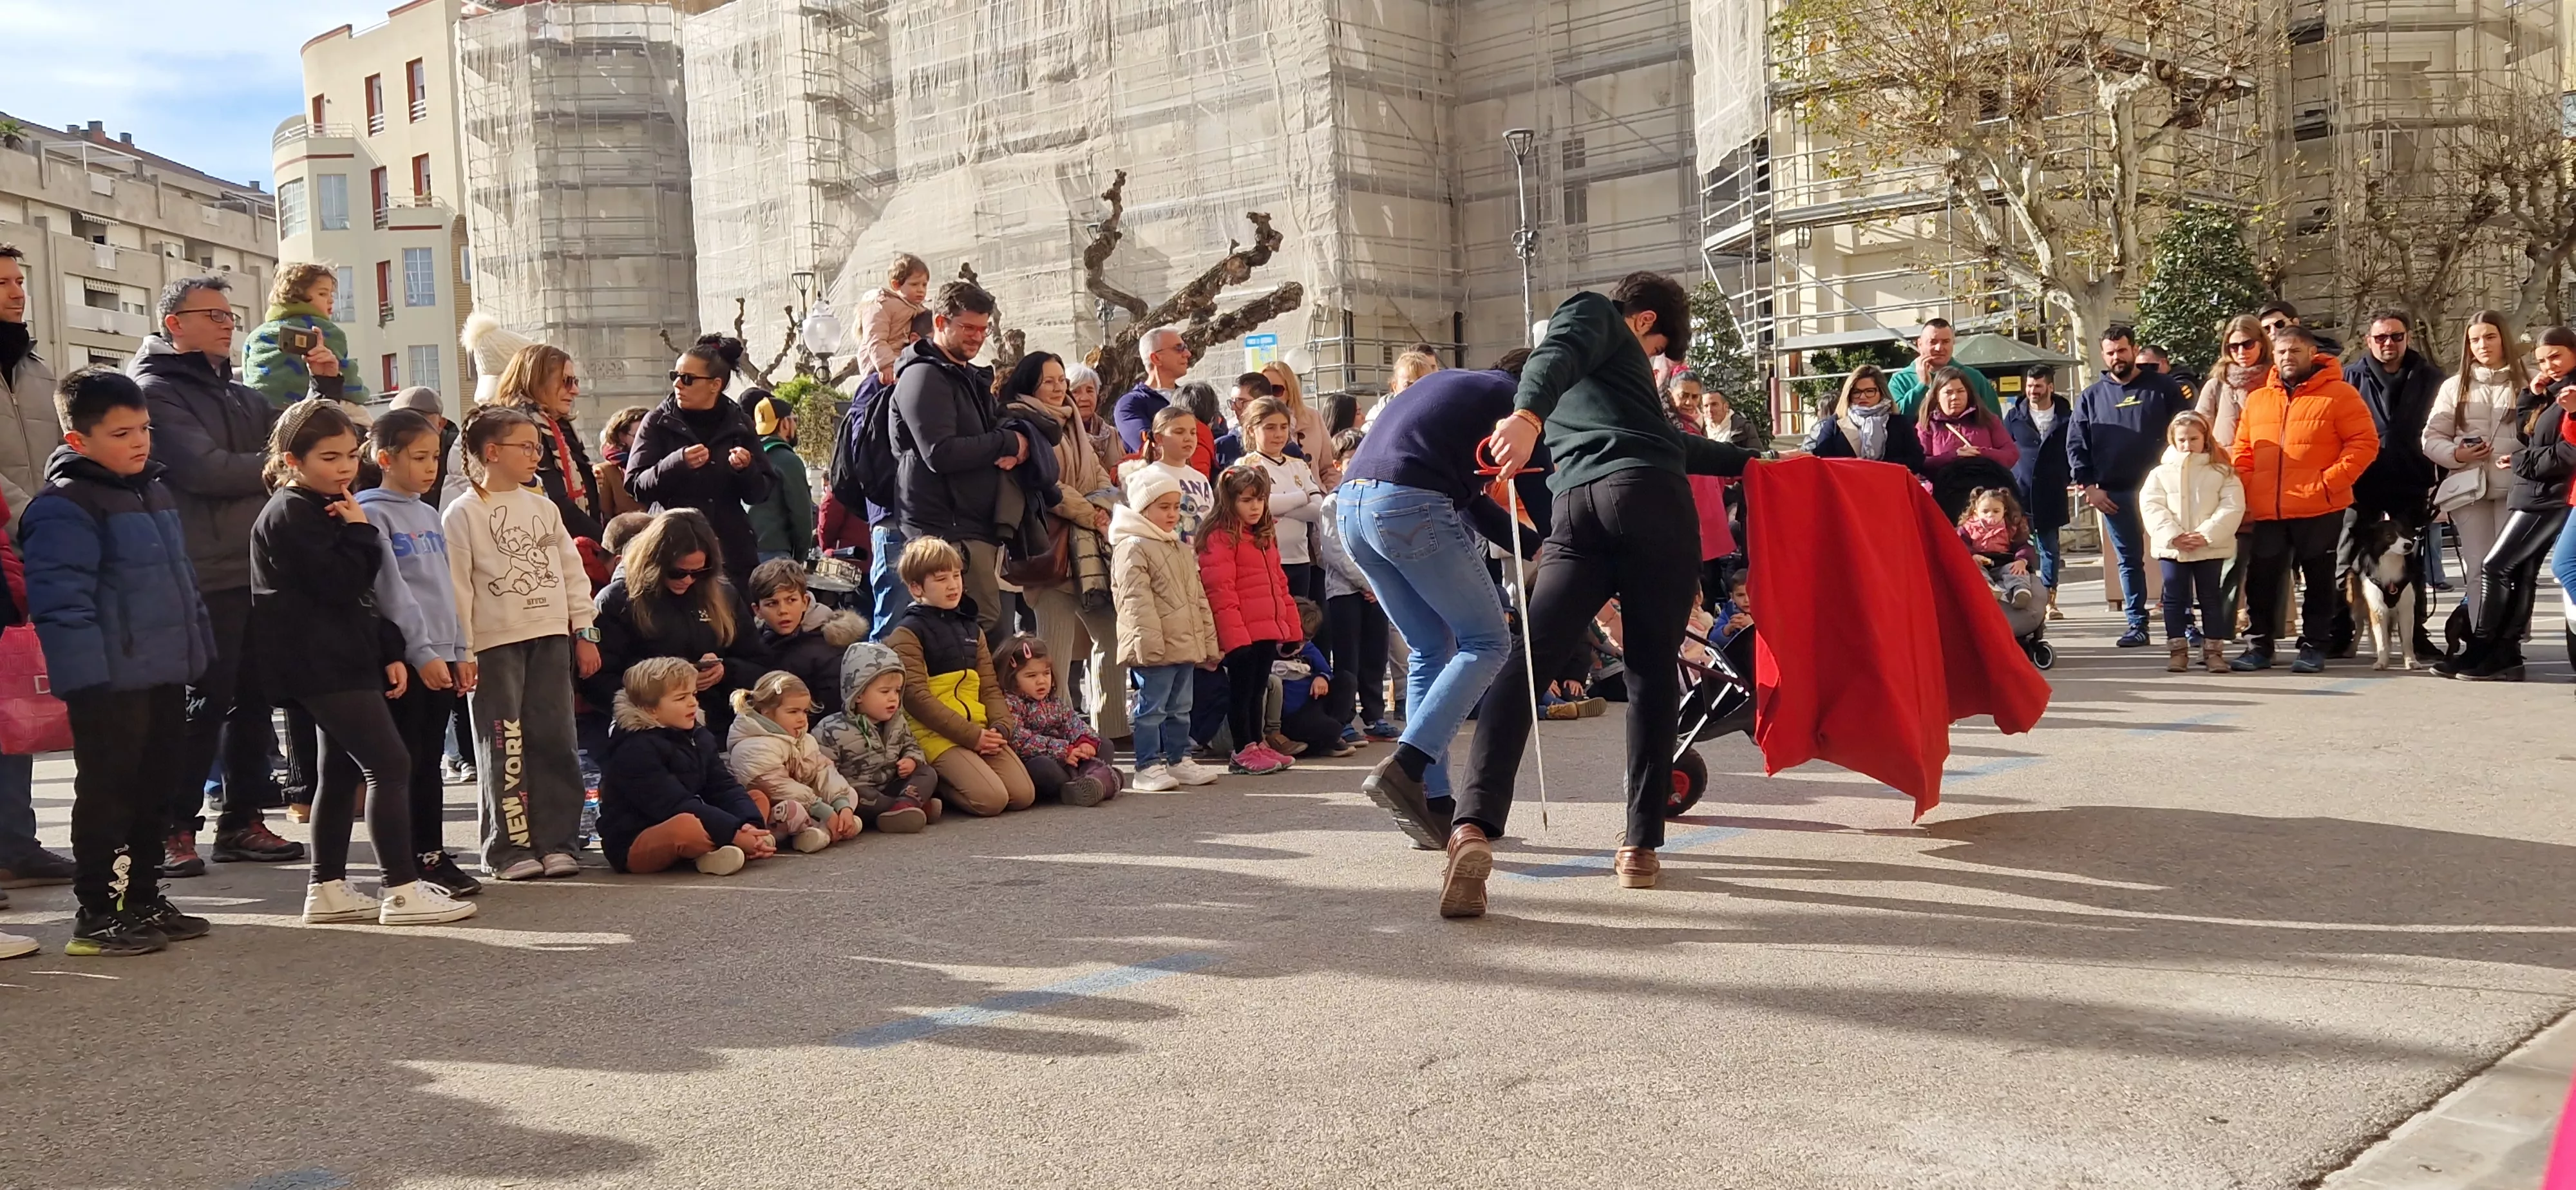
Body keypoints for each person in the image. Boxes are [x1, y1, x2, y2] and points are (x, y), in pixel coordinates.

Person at [1457, 274, 1773, 912]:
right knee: (1650, 677)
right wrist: (1523, 415)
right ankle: (1639, 844)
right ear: (1642, 320)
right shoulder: (1597, 315)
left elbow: (1668, 441)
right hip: (1652, 505)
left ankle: (1472, 825)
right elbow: (1556, 350)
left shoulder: (1602, 387)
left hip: (1580, 513)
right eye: (1655, 347)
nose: (1653, 364)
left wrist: (1751, 462)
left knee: (1527, 665)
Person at [251, 401, 476, 927]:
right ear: (293, 459)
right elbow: (343, 584)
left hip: (343, 656)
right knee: (390, 764)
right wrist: (360, 532)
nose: (345, 467)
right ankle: (401, 886)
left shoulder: (326, 503)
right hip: (320, 662)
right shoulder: (292, 511)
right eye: (329, 457)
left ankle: (326, 886)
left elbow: (363, 601)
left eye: (351, 455)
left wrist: (389, 653)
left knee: (340, 769)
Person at [19, 366, 216, 954]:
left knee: (157, 788)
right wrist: (88, 683)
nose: (139, 442)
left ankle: (144, 899)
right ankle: (99, 914)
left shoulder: (153, 490)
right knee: (111, 793)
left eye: (144, 429)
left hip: (160, 672)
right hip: (108, 682)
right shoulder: (64, 506)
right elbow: (62, 604)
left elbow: (182, 584)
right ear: (77, 440)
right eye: (121, 433)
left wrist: (197, 652)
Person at [1336, 364, 1550, 847]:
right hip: (1408, 506)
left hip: (1352, 508)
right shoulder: (1518, 400)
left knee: (1431, 647)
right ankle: (1407, 764)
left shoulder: (1459, 387)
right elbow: (1541, 489)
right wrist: (1568, 548)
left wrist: (1535, 547)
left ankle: (1431, 801)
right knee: (1489, 641)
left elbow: (1472, 501)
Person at [133, 275, 304, 876]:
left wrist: (328, 384)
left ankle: (242, 822)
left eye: (231, 315)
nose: (229, 324)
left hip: (255, 567)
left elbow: (295, 435)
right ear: (173, 323)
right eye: (213, 314)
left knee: (253, 703)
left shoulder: (237, 392)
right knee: (202, 704)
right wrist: (284, 466)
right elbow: (204, 470)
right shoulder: (153, 390)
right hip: (200, 570)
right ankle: (173, 829)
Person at [444, 404, 602, 880]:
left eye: (539, 446)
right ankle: (509, 848)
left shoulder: (543, 506)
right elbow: (458, 586)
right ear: (491, 452)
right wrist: (463, 651)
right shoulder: (462, 512)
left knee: (555, 739)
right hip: (495, 644)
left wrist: (584, 631)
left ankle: (558, 841)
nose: (537, 455)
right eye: (527, 446)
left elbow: (572, 575)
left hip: (551, 637)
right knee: (504, 744)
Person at [357, 410, 480, 898]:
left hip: (439, 654)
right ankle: (407, 861)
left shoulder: (428, 513)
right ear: (385, 459)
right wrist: (423, 652)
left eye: (435, 457)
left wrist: (458, 650)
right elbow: (392, 593)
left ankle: (432, 853)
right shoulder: (372, 511)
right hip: (408, 659)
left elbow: (445, 590)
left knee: (429, 759)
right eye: (420, 458)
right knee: (405, 761)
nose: (431, 468)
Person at [2229, 324, 2378, 674]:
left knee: (2320, 581)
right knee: (2262, 581)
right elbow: (2243, 449)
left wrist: (2329, 483)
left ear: (2312, 354)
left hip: (2320, 506)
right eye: (2281, 352)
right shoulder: (2259, 398)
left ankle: (2314, 647)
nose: (2287, 358)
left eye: (2295, 351)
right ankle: (2259, 647)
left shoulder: (2340, 394)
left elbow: (2364, 443)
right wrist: (2250, 485)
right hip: (2268, 508)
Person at [998, 352, 1125, 741]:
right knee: (1054, 645)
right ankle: (1062, 730)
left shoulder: (1073, 423)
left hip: (1087, 550)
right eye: (1049, 380)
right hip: (1046, 546)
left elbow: (1099, 474)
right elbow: (1046, 486)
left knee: (1112, 635)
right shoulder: (1021, 421)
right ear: (1030, 384)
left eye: (1061, 380)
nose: (1059, 388)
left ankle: (1114, 728)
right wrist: (1093, 513)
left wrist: (1103, 506)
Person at [889, 281, 1021, 643]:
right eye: (968, 328)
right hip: (945, 529)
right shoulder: (924, 375)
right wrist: (1007, 442)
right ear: (941, 322)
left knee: (988, 631)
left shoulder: (964, 374)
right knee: (970, 632)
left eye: (983, 329)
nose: (978, 337)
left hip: (972, 526)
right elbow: (939, 453)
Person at [2445, 327, 2576, 681]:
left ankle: (2486, 649)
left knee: (2495, 566)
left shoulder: (2572, 394)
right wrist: (2530, 399)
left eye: (2556, 356)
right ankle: (2503, 653)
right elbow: (2527, 435)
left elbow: (2568, 454)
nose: (2549, 366)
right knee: (2520, 571)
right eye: (2542, 360)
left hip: (2549, 495)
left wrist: (2520, 463)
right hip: (2534, 490)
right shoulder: (2552, 391)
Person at [883, 537, 1034, 815]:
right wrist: (971, 736)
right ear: (916, 587)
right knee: (992, 801)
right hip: (935, 735)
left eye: (956, 576)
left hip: (979, 730)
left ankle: (961, 774)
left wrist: (1000, 728)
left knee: (1023, 795)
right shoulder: (906, 633)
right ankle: (933, 787)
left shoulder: (971, 629)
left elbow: (989, 687)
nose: (953, 585)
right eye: (941, 579)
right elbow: (916, 698)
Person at [588, 509, 770, 741]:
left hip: (720, 729)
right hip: (648, 735)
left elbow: (759, 664)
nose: (687, 580)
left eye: (699, 573)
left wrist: (724, 672)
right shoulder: (618, 601)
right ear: (654, 562)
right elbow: (597, 681)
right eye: (677, 572)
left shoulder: (723, 594)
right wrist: (664, 692)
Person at [596, 656, 774, 876]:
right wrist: (733, 832)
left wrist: (749, 823)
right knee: (686, 827)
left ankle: (744, 841)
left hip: (698, 815)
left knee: (756, 798)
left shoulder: (698, 735)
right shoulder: (635, 748)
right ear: (650, 709)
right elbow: (674, 804)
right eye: (681, 698)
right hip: (638, 837)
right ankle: (731, 845)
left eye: (693, 694)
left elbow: (723, 786)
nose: (693, 703)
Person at [623, 336, 775, 591]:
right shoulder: (658, 421)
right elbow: (635, 484)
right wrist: (676, 463)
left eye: (688, 379)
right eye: (676, 375)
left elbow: (761, 492)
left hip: (730, 552)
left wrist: (746, 469)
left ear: (715, 385)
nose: (677, 384)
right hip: (671, 548)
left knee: (732, 626)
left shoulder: (739, 423)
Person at [2070, 325, 2189, 648]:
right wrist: (2090, 487)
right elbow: (2077, 445)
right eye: (2110, 353)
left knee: (2176, 555)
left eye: (2122, 350)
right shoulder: (2091, 397)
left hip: (2165, 492)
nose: (2116, 358)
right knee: (2129, 560)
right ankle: (2137, 625)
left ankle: (2185, 623)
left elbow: (2188, 432)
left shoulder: (2163, 388)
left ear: (2134, 350)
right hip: (2115, 494)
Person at [2339, 308, 2443, 660]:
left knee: (2412, 561)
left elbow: (2441, 426)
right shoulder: (2349, 377)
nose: (2389, 343)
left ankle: (2416, 635)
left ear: (2408, 338)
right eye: (2381, 337)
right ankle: (2341, 631)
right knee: (2348, 557)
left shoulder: (2430, 377)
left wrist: (2439, 481)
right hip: (2360, 481)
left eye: (2396, 336)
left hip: (2410, 479)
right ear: (2368, 340)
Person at [1111, 468, 1222, 791]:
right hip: (1155, 645)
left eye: (1177, 506)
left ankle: (1178, 759)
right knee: (1151, 708)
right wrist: (1147, 643)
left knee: (1181, 707)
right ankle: (1146, 765)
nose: (1173, 514)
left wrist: (1207, 640)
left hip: (1183, 643)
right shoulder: (1133, 546)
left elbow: (1197, 597)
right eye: (1164, 507)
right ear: (1143, 509)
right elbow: (1135, 601)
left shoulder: (1177, 546)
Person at [1197, 466, 1302, 777]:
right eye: (1247, 500)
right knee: (1241, 692)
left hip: (1265, 627)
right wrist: (1235, 639)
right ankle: (1243, 748)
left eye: (1260, 500)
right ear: (1230, 501)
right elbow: (1221, 590)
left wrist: (1291, 629)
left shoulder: (1263, 536)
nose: (1255, 507)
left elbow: (1280, 585)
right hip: (1242, 631)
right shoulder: (1220, 537)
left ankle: (1256, 743)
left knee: (1258, 690)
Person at [2423, 310, 2524, 623]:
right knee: (2478, 567)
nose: (2483, 345)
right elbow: (2431, 438)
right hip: (2470, 490)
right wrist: (2457, 454)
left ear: (2503, 338)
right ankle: (2482, 637)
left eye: (2490, 337)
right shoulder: (2455, 387)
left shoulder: (2530, 382)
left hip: (2517, 487)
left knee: (2512, 567)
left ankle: (2511, 642)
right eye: (2475, 340)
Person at [2140, 411, 2246, 674]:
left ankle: (2213, 651)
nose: (2188, 445)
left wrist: (2206, 534)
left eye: (2194, 439)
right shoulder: (2160, 474)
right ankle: (2178, 651)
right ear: (2173, 441)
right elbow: (2152, 506)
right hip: (2173, 548)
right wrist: (2173, 536)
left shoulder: (2222, 472)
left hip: (2209, 547)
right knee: (2175, 597)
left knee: (2211, 597)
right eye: (2182, 440)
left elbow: (2232, 506)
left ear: (2205, 439)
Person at [724, 672, 860, 854]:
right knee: (792, 811)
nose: (802, 718)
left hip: (809, 802)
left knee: (849, 794)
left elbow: (823, 771)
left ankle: (829, 828)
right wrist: (822, 809)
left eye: (805, 711)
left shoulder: (804, 740)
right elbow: (776, 786)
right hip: (774, 808)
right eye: (793, 712)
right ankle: (816, 831)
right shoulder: (751, 745)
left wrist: (841, 804)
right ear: (766, 712)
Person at [813, 642, 938, 833]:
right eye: (885, 692)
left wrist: (912, 760)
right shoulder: (831, 729)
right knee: (858, 794)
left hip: (889, 784)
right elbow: (824, 773)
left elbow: (911, 745)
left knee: (928, 773)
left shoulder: (898, 722)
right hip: (860, 794)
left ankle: (904, 806)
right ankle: (906, 807)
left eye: (897, 691)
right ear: (858, 695)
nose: (893, 698)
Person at [2197, 314, 2272, 631]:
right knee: (2229, 561)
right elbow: (2198, 425)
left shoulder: (2276, 378)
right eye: (2234, 345)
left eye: (2248, 343)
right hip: (2227, 483)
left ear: (2261, 343)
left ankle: (2265, 630)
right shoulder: (2217, 384)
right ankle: (2221, 631)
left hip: (2269, 481)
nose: (2241, 351)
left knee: (2268, 566)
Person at [488, 343, 603, 543]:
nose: (575, 390)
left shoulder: (557, 424)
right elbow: (555, 500)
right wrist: (609, 544)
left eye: (575, 381)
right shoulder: (519, 428)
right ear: (538, 381)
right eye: (567, 381)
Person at [995, 635, 1119, 806]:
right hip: (1040, 759)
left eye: (1046, 673)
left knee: (1105, 744)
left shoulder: (1053, 701)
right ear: (1011, 678)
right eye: (1031, 676)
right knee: (1042, 767)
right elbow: (1019, 740)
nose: (1041, 681)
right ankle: (1099, 779)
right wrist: (1063, 751)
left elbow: (1072, 722)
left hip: (1069, 757)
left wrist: (1084, 742)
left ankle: (1091, 782)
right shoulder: (1010, 703)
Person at [1318, 484, 1396, 742]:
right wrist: (1368, 582)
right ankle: (1344, 717)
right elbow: (1333, 551)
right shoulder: (1333, 502)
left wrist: (1381, 582)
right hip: (1345, 590)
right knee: (1347, 656)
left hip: (1378, 588)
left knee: (1376, 653)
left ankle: (1375, 716)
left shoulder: (1377, 497)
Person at [746, 558, 865, 718]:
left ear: (805, 601)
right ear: (757, 610)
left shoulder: (828, 649)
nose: (783, 611)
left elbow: (830, 710)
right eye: (772, 604)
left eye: (791, 600)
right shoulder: (753, 643)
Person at [241, 263, 367, 411]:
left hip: (260, 411)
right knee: (362, 417)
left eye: (331, 294)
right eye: (322, 294)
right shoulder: (327, 331)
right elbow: (346, 376)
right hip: (313, 408)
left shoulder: (256, 335)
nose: (331, 300)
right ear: (295, 296)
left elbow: (247, 376)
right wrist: (362, 393)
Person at [1240, 396, 1327, 601]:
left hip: (1300, 558)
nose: (1278, 434)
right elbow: (1263, 506)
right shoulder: (1247, 465)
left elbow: (1318, 509)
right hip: (1265, 558)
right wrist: (1301, 496)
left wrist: (1279, 506)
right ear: (1253, 430)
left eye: (1283, 427)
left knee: (1300, 624)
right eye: (1270, 427)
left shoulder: (1298, 465)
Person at [2005, 365, 2073, 619]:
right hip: (2019, 493)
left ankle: (2049, 599)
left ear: (2050, 388)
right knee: (2019, 547)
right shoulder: (2014, 416)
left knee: (2049, 548)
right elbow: (2005, 450)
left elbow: (2075, 447)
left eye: (2038, 386)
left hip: (2051, 492)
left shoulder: (2067, 416)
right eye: (2030, 386)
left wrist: (2068, 476)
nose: (2033, 391)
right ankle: (2023, 594)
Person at [1918, 364, 2021, 518]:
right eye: (1948, 392)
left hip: (1987, 503)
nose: (1955, 397)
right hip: (1944, 501)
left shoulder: (1988, 420)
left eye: (1960, 391)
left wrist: (1980, 452)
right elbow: (1920, 463)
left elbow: (2011, 455)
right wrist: (1954, 456)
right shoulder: (1927, 424)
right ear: (1937, 396)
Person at [1806, 364, 1928, 473]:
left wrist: (1881, 468)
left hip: (1889, 488)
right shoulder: (1835, 423)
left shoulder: (1900, 423)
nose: (1863, 396)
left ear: (1881, 392)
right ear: (1849, 394)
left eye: (1870, 391)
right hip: (1847, 489)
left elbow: (1916, 459)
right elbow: (1822, 458)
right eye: (1856, 392)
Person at [1122, 406, 1218, 543]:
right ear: (1159, 438)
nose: (1188, 438)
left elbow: (1210, 520)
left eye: (1193, 433)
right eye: (1179, 432)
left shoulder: (1201, 479)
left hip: (1200, 559)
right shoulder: (1147, 477)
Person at [1886, 318, 2001, 418]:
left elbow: (1995, 423)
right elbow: (1897, 420)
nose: (1939, 348)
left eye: (1946, 342)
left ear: (1953, 343)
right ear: (1920, 344)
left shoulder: (1974, 378)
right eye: (1933, 342)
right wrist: (1922, 387)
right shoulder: (1901, 380)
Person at [853, 252, 931, 389]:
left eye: (924, 285)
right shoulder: (881, 304)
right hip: (879, 368)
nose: (921, 290)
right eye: (914, 284)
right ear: (896, 285)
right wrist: (886, 365)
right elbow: (875, 338)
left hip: (899, 364)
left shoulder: (916, 308)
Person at [1114, 325, 1196, 455]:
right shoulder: (1131, 404)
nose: (1188, 354)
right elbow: (1150, 448)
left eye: (1185, 348)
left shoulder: (1193, 398)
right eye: (1179, 348)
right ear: (1156, 358)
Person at [1262, 361, 1337, 484]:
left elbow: (1329, 467)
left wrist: (1327, 495)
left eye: (1276, 390)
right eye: (1264, 390)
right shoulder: (1254, 426)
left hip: (1316, 498)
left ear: (1290, 392)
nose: (1270, 396)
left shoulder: (1313, 417)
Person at [589, 405, 650, 524]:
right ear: (622, 437)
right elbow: (603, 521)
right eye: (640, 436)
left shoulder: (664, 465)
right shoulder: (606, 472)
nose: (646, 441)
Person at [1064, 361, 1122, 480]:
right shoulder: (1061, 435)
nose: (1085, 398)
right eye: (1076, 391)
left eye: (1090, 391)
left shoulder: (1111, 434)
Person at [1212, 372, 1274, 471]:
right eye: (1232, 401)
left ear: (1263, 402)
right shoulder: (1222, 446)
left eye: (1241, 402)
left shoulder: (1282, 444)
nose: (1233, 408)